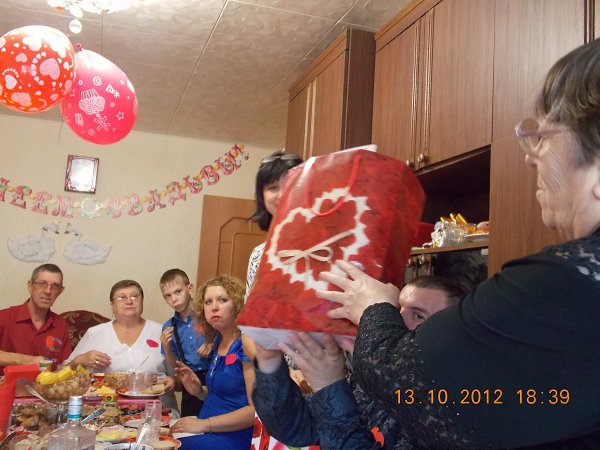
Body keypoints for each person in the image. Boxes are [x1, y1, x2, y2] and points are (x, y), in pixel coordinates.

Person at [309, 39, 600, 449]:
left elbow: (416, 390)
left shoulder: (566, 284)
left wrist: (374, 308)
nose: (530, 157)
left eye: (544, 136)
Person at [252, 276, 465, 449]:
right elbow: (297, 429)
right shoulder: (371, 377)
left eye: (418, 316)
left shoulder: (449, 406)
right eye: (396, 308)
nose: (397, 319)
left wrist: (328, 386)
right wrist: (269, 362)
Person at [171, 275, 256, 450]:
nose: (214, 307)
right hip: (209, 430)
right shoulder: (218, 341)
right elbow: (224, 396)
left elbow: (254, 412)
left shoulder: (246, 344)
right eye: (208, 302)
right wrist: (198, 390)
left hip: (233, 437)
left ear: (237, 305)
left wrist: (205, 424)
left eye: (222, 300)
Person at [67, 279, 177, 411]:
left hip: (158, 411)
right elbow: (62, 374)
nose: (129, 301)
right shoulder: (95, 333)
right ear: (112, 306)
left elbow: (180, 378)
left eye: (135, 296)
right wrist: (80, 360)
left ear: (142, 302)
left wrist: (174, 380)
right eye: (121, 297)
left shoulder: (162, 332)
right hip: (106, 412)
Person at [246, 150, 303, 298]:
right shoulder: (258, 255)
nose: (282, 195)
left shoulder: (327, 243)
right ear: (262, 196)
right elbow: (252, 306)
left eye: (291, 185)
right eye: (272, 188)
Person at [0, 263, 71, 374]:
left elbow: (63, 367)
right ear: (30, 286)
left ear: (60, 291)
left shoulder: (61, 324)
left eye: (55, 286)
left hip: (47, 384)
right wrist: (25, 360)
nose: (48, 291)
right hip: (7, 384)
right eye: (42, 284)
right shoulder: (4, 317)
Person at [159, 268, 210, 417]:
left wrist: (211, 344)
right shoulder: (169, 326)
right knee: (189, 422)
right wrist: (167, 347)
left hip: (213, 376)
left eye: (178, 292)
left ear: (190, 288)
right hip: (189, 381)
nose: (174, 299)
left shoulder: (208, 314)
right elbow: (175, 367)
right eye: (168, 296)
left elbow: (228, 339)